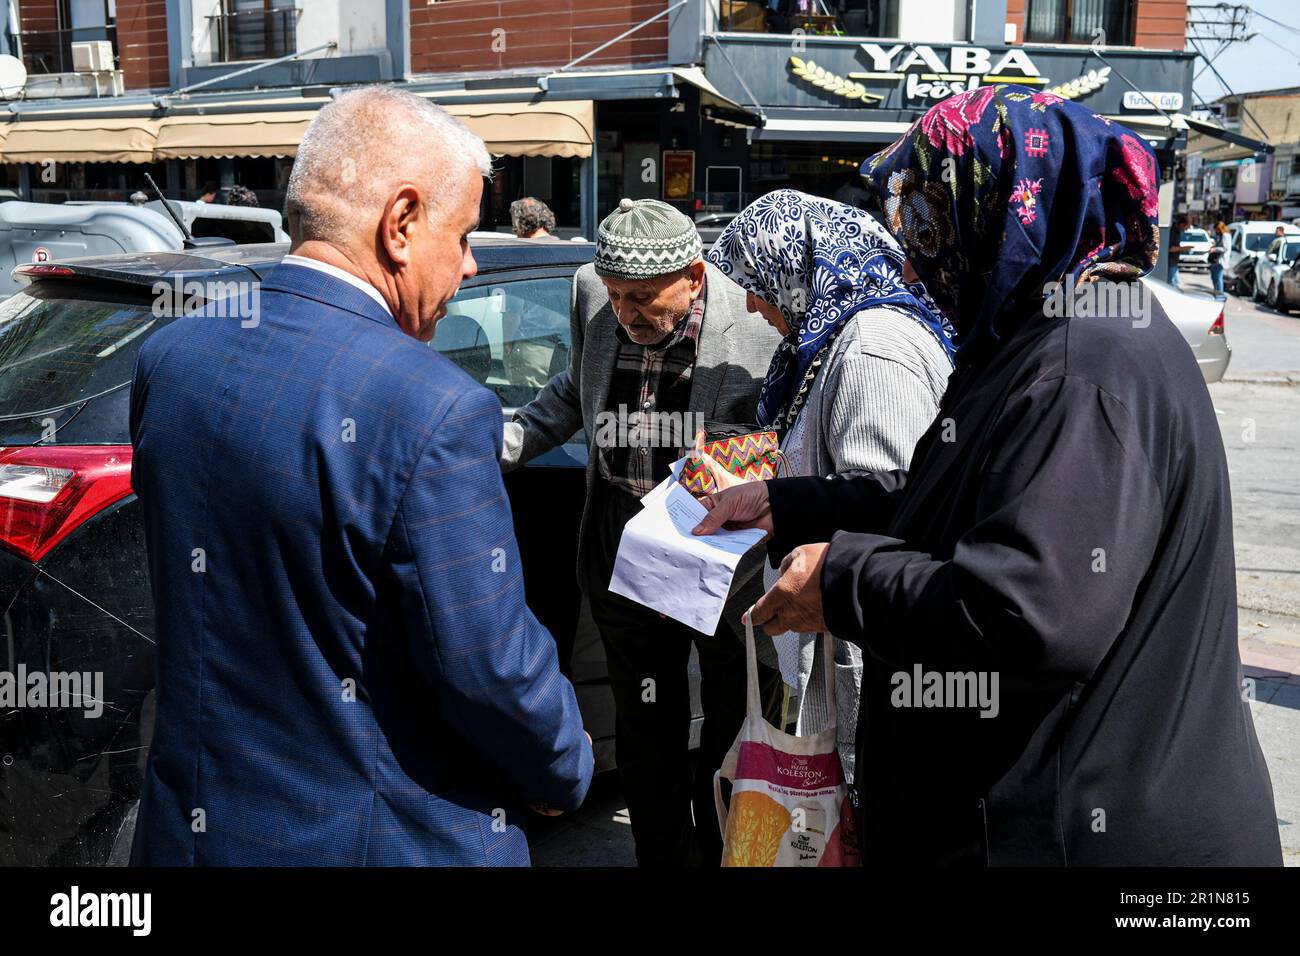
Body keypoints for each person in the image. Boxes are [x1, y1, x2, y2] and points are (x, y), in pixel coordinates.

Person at [694, 85, 1282, 866]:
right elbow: (953, 507)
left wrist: (843, 582)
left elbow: (1028, 613)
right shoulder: (1038, 338)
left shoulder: (1081, 364)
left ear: (1000, 213)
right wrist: (791, 503)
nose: (912, 256)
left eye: (928, 221)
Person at [129, 86, 593, 867]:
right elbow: (489, 668)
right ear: (402, 223)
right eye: (465, 233)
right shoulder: (434, 409)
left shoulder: (173, 358)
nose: (472, 263)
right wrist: (565, 766)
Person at [501, 197, 785, 866]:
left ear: (693, 274)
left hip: (725, 553)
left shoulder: (755, 317)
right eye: (618, 295)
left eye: (645, 298)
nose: (628, 312)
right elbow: (580, 386)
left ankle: (724, 849)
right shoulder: (588, 292)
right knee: (644, 720)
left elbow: (788, 423)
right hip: (622, 542)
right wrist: (505, 441)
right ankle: (661, 855)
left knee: (735, 712)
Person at [705, 188, 955, 780]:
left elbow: (889, 503)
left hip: (865, 658)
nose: (749, 303)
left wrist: (780, 504)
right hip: (839, 639)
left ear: (799, 271)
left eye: (759, 282)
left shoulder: (873, 348)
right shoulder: (831, 340)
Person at [1209, 220, 1229, 296]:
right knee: (1214, 277)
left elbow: (1225, 248)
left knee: (1218, 277)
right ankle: (1216, 292)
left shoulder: (1225, 235)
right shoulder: (1221, 236)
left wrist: (1215, 249)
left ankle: (1219, 294)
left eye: (1216, 229)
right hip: (1216, 260)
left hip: (1221, 260)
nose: (1216, 231)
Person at [1167, 214, 1188, 287]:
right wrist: (1184, 248)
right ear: (1182, 224)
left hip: (1174, 262)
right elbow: (1170, 248)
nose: (1185, 230)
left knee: (1176, 283)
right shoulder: (1173, 232)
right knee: (1172, 284)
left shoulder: (1178, 232)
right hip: (1171, 262)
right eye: (1186, 227)